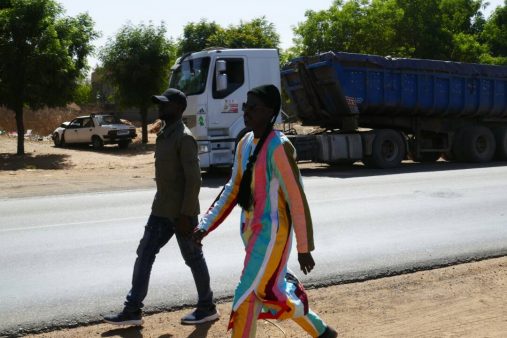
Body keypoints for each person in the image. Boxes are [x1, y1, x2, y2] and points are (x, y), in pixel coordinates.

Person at [193, 85, 338, 337]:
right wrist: (205, 225)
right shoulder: (245, 143)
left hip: (273, 236)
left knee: (247, 295)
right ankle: (322, 332)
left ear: (269, 112)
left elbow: (296, 199)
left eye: (253, 107)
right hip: (251, 234)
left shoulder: (279, 147)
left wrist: (304, 248)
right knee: (264, 290)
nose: (246, 112)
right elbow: (232, 188)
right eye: (245, 106)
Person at [103, 88, 218, 326]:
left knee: (193, 258)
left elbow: (194, 179)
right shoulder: (165, 134)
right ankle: (132, 310)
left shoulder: (183, 137)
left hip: (181, 213)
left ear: (178, 108)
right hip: (161, 210)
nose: (160, 107)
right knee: (144, 253)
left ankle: (207, 307)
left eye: (165, 104)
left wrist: (187, 214)